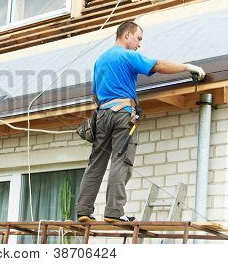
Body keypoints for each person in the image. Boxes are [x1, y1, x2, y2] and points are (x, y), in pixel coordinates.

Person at [76, 22, 205, 223]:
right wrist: (188, 67)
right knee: (121, 159)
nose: (139, 44)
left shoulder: (100, 60)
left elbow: (95, 93)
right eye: (139, 38)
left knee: (96, 163)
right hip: (123, 115)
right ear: (127, 35)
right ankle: (114, 212)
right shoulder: (128, 56)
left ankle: (84, 211)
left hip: (101, 115)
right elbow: (158, 65)